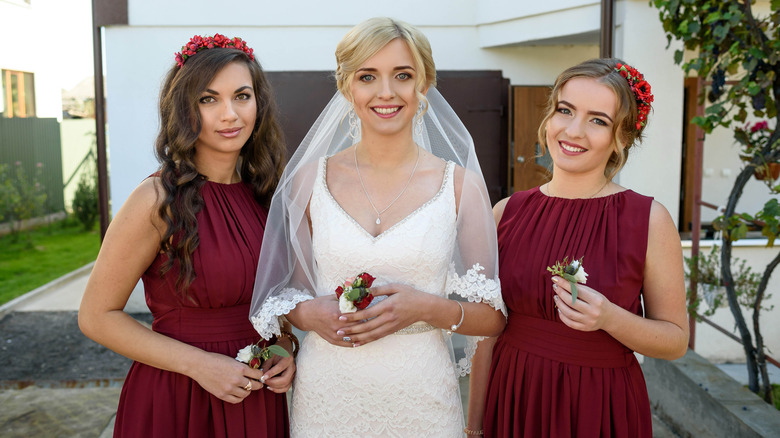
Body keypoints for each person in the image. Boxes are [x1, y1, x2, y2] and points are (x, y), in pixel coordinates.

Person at [249, 17, 506, 437]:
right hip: (327, 398)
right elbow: (285, 294)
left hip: (422, 398)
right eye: (368, 76)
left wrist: (425, 307)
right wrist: (308, 313)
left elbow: (492, 318)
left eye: (402, 75)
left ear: (423, 85)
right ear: (347, 86)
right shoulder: (306, 182)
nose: (386, 92)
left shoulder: (461, 187)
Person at [78, 34, 295, 437]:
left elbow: (271, 302)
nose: (229, 114)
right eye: (208, 99)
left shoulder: (266, 194)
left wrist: (284, 345)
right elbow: (96, 317)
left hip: (256, 394)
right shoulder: (157, 198)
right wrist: (200, 365)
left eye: (242, 96)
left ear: (258, 103)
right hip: (181, 397)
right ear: (184, 109)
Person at [468, 58, 689, 437]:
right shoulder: (506, 212)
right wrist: (473, 427)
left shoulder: (649, 219)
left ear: (622, 138)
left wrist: (610, 319)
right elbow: (487, 333)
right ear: (549, 117)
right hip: (514, 397)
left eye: (598, 120)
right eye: (565, 111)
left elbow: (675, 341)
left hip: (598, 407)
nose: (574, 131)